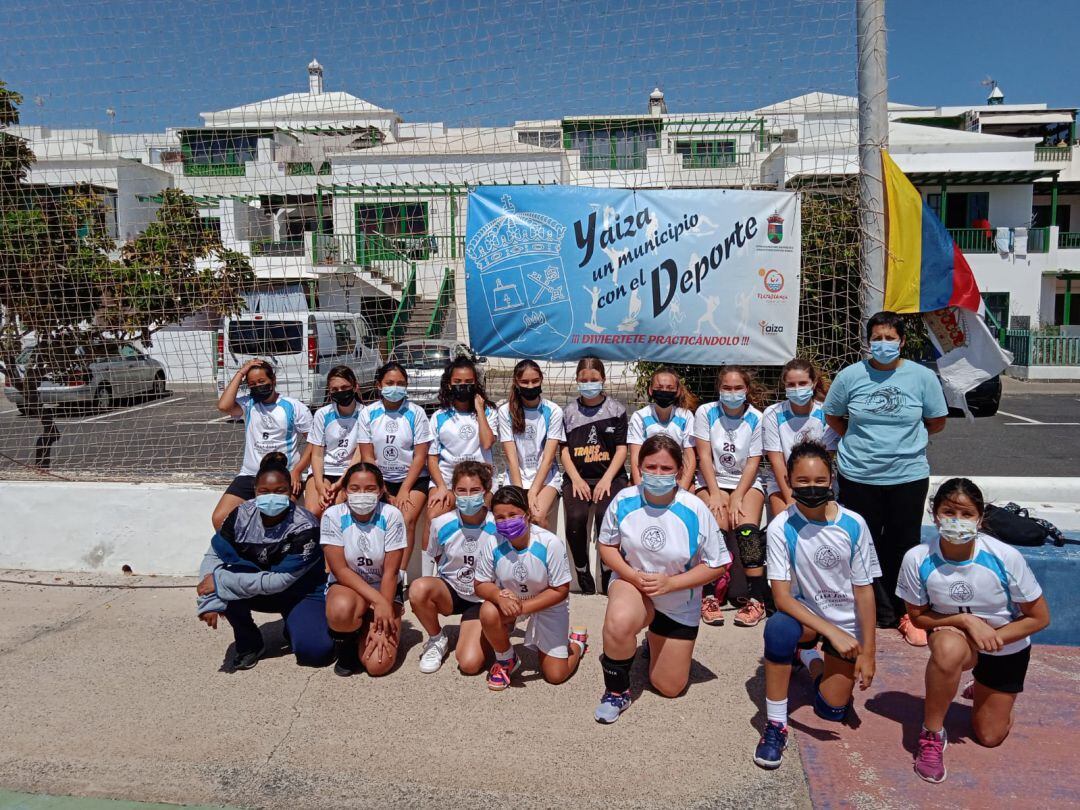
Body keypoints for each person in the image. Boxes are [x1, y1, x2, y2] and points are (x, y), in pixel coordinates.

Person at [896, 478, 1050, 784]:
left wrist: (995, 639)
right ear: (935, 514)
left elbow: (1039, 618)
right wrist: (964, 622)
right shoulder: (917, 558)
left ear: (980, 518)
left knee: (990, 736)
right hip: (955, 637)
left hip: (1005, 644)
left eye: (966, 514)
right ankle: (931, 734)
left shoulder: (1004, 557)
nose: (957, 520)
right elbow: (918, 617)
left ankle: (984, 689)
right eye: (948, 511)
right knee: (948, 651)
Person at [824, 311, 948, 643]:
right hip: (859, 475)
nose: (883, 344)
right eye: (877, 338)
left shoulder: (922, 377)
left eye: (890, 338)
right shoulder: (850, 376)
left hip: (907, 476)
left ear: (902, 341)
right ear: (868, 342)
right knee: (864, 544)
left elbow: (936, 421)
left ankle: (906, 613)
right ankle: (875, 612)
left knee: (904, 545)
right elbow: (834, 416)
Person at [753, 441, 878, 770]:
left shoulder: (854, 524)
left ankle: (809, 658)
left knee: (831, 710)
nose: (812, 488)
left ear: (832, 478)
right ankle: (776, 725)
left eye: (820, 481)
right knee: (778, 629)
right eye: (803, 482)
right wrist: (830, 633)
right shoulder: (782, 526)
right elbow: (780, 597)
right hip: (807, 616)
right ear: (789, 480)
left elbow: (865, 592)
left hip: (846, 626)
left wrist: (868, 651)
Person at [593, 434, 729, 724]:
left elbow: (718, 565)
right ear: (638, 468)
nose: (657, 474)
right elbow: (606, 546)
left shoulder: (694, 508)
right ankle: (617, 691)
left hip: (678, 600)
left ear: (679, 471)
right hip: (634, 586)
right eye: (650, 467)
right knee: (618, 621)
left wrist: (671, 584)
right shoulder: (624, 500)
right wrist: (631, 574)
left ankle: (652, 639)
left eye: (666, 469)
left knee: (669, 687)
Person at [195, 452, 332, 670]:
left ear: (291, 491)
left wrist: (221, 582)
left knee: (315, 653)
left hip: (298, 591)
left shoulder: (305, 526)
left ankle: (295, 623)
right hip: (256, 588)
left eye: (280, 491)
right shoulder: (240, 515)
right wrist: (210, 599)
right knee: (226, 576)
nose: (272, 496)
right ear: (255, 492)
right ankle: (249, 643)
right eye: (264, 491)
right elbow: (214, 555)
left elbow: (279, 581)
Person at [473, 485, 588, 690]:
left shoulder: (550, 543)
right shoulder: (491, 541)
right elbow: (480, 584)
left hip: (547, 604)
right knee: (488, 611)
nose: (506, 521)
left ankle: (577, 643)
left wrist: (523, 607)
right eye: (500, 517)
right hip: (511, 601)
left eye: (513, 514)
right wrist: (499, 597)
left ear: (526, 514)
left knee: (555, 675)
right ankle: (506, 659)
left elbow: (561, 590)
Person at [694, 365, 768, 628]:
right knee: (715, 528)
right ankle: (709, 596)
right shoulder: (706, 412)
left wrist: (737, 495)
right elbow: (703, 455)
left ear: (746, 390)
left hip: (745, 483)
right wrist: (714, 492)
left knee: (747, 532)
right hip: (711, 481)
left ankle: (756, 600)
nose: (732, 393)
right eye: (727, 388)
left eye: (738, 388)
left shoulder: (757, 417)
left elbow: (753, 461)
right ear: (719, 388)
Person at [408, 460, 498, 675]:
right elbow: (436, 556)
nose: (468, 496)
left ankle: (489, 627)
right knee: (419, 588)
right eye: (462, 490)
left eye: (475, 490)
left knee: (469, 664)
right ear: (453, 491)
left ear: (486, 491)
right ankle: (437, 638)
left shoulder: (497, 525)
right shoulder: (441, 523)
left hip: (483, 598)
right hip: (452, 592)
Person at [320, 462, 407, 677]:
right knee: (341, 609)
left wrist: (382, 613)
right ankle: (347, 646)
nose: (362, 494)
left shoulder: (392, 515)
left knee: (377, 666)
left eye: (370, 489)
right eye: (355, 489)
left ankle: (369, 628)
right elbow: (340, 570)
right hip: (348, 588)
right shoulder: (332, 515)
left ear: (381, 491)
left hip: (384, 589)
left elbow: (391, 572)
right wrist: (377, 602)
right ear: (345, 491)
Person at [212, 359, 312, 530]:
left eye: (262, 382)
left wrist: (297, 471)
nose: (258, 386)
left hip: (284, 475)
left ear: (273, 380)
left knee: (284, 522)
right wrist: (241, 373)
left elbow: (314, 442)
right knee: (220, 518)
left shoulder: (294, 407)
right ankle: (240, 553)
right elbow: (224, 406)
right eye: (252, 384)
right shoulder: (248, 404)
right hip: (251, 474)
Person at [351, 361, 432, 572]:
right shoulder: (368, 413)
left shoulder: (417, 413)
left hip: (413, 480)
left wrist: (404, 489)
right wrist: (384, 490)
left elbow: (420, 456)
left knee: (405, 520)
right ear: (379, 385)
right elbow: (368, 456)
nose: (395, 387)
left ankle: (400, 576)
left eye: (400, 383)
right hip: (380, 480)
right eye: (390, 383)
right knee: (375, 522)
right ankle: (376, 571)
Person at [560, 356, 629, 595]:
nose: (589, 383)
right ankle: (581, 568)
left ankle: (607, 568)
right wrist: (576, 479)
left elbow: (622, 450)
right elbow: (564, 450)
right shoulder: (568, 411)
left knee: (605, 515)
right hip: (578, 478)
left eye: (594, 379)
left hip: (610, 476)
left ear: (603, 380)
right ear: (577, 381)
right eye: (584, 380)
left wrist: (607, 479)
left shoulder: (616, 409)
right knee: (576, 517)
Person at [762, 358, 838, 518]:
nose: (797, 389)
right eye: (791, 384)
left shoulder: (826, 412)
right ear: (784, 385)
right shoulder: (772, 413)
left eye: (802, 383)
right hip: (783, 482)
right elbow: (776, 461)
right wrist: (791, 499)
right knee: (785, 524)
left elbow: (827, 458)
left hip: (817, 480)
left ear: (814, 382)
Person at [497, 359, 565, 529]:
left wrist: (533, 491)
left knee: (535, 517)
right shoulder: (506, 411)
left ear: (541, 379)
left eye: (535, 381)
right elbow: (512, 458)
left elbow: (548, 459)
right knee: (515, 519)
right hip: (516, 477)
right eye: (524, 382)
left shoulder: (554, 410)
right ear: (516, 382)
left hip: (546, 478)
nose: (530, 386)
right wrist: (521, 493)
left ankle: (544, 553)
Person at [427, 357, 496, 521]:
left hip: (480, 480)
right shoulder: (439, 416)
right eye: (458, 381)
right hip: (448, 480)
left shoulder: (489, 413)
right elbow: (432, 458)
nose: (463, 386)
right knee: (433, 516)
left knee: (482, 518)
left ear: (475, 384)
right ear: (449, 384)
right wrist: (442, 487)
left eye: (468, 382)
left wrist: (479, 409)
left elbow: (487, 443)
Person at [304, 365, 362, 518]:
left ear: (355, 387)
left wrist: (341, 483)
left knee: (337, 511)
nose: (340, 392)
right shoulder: (322, 414)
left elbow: (359, 455)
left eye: (345, 387)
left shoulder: (366, 414)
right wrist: (319, 484)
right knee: (313, 511)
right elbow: (316, 455)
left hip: (349, 471)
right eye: (335, 389)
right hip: (324, 471)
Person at [627, 366, 697, 490]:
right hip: (648, 476)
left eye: (670, 388)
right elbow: (635, 457)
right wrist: (640, 489)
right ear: (650, 390)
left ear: (678, 391)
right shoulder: (639, 417)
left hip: (675, 476)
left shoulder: (686, 416)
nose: (664, 391)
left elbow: (689, 457)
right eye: (659, 388)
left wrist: (682, 491)